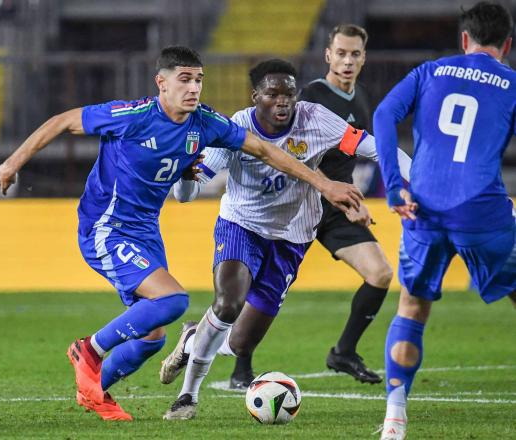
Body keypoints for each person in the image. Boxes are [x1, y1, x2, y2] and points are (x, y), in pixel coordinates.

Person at [0, 46, 363, 421]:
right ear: (162, 83)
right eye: (184, 79)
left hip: (145, 232)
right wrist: (13, 162)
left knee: (153, 336)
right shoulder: (133, 116)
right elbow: (63, 120)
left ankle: (94, 389)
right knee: (172, 302)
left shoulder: (204, 123)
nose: (193, 88)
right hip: (106, 227)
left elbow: (265, 151)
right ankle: (88, 350)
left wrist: (323, 184)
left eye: (199, 80)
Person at [160, 59, 412, 420]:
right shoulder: (235, 129)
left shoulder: (315, 120)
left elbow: (375, 148)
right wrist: (186, 172)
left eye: (289, 94)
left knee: (240, 342)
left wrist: (417, 177)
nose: (283, 101)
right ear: (255, 97)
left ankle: (192, 336)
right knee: (228, 303)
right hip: (240, 226)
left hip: (293, 236)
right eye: (273, 94)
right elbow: (185, 195)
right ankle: (188, 396)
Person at [372, 3, 515, 439]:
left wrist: (395, 186)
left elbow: (383, 115)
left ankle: (395, 416)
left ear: (465, 40)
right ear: (507, 45)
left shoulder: (430, 71)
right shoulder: (511, 83)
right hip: (482, 210)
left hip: (423, 208)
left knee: (412, 307)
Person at [226, 24, 391, 388]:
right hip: (295, 204)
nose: (348, 61)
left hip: (334, 207)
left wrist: (354, 198)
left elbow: (359, 151)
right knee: (256, 284)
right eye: (341, 53)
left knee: (380, 274)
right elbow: (283, 152)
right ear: (328, 55)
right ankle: (241, 367)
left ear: (364, 57)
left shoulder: (361, 97)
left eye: (355, 54)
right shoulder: (308, 100)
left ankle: (344, 351)